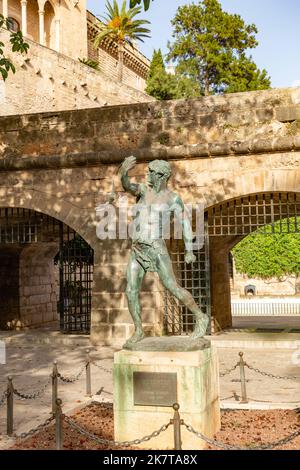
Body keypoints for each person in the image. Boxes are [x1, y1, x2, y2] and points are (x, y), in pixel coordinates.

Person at [120, 155, 209, 346]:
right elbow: (127, 185)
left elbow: (185, 223)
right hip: (137, 249)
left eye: (150, 172)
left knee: (172, 287)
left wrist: (189, 249)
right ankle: (138, 330)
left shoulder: (173, 199)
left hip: (155, 248)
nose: (147, 174)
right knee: (130, 290)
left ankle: (200, 316)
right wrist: (123, 171)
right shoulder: (143, 191)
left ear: (160, 175)